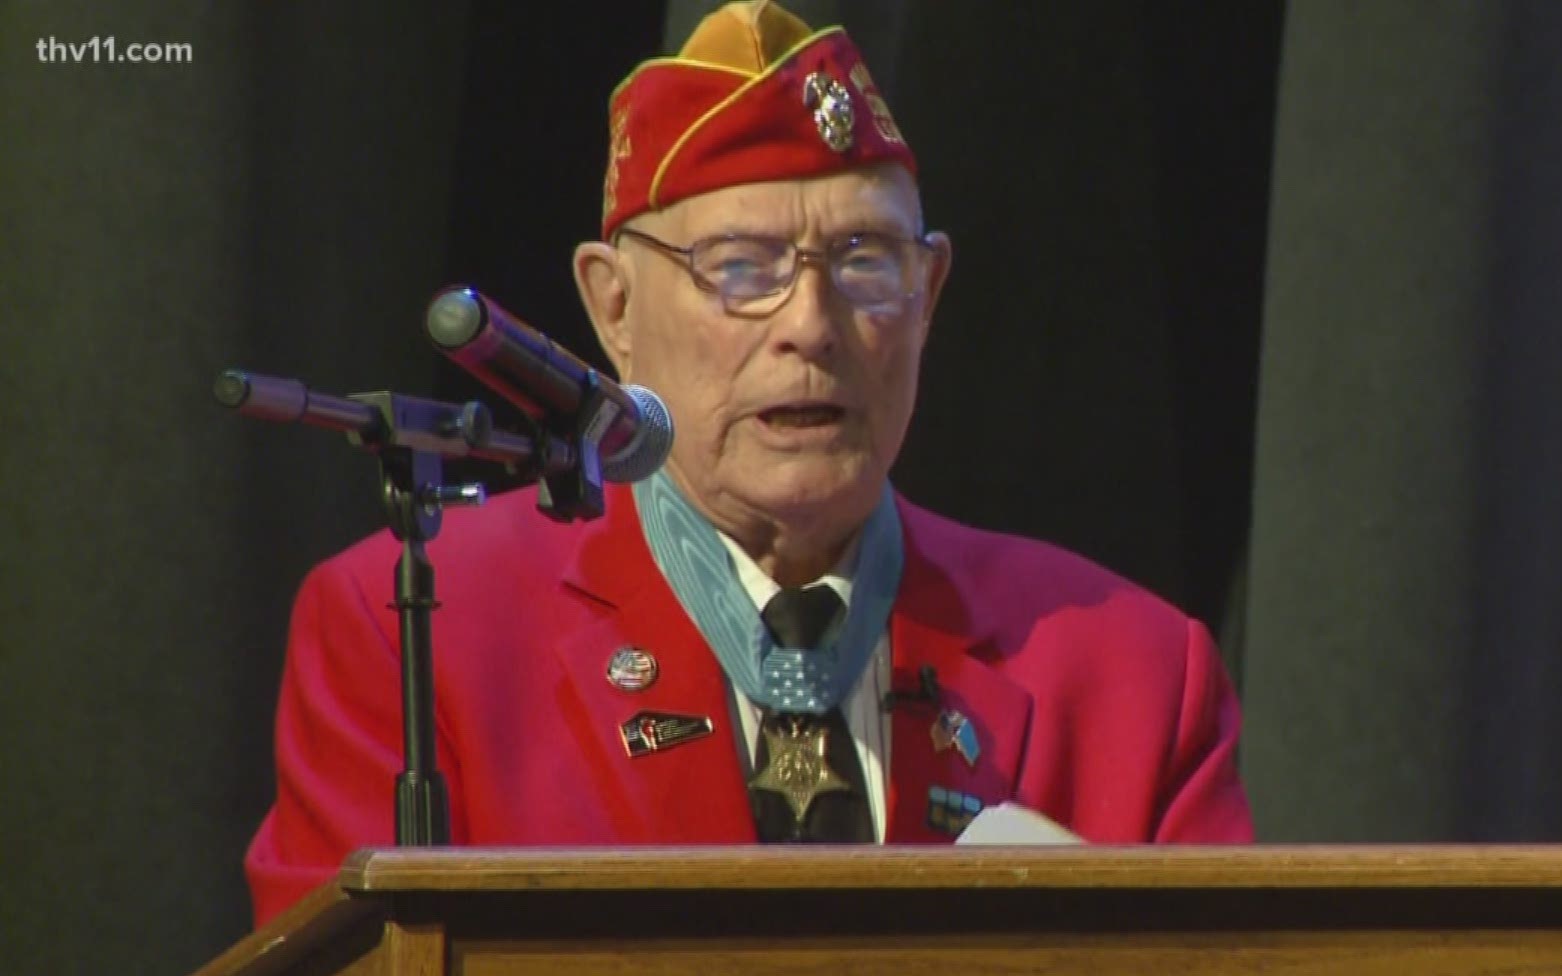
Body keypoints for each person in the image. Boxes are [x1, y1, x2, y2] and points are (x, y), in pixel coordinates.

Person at [244, 0, 1253, 926]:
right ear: (615, 309)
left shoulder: (1131, 675)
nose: (811, 327)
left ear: (931, 291)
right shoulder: (418, 631)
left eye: (865, 262)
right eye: (741, 270)